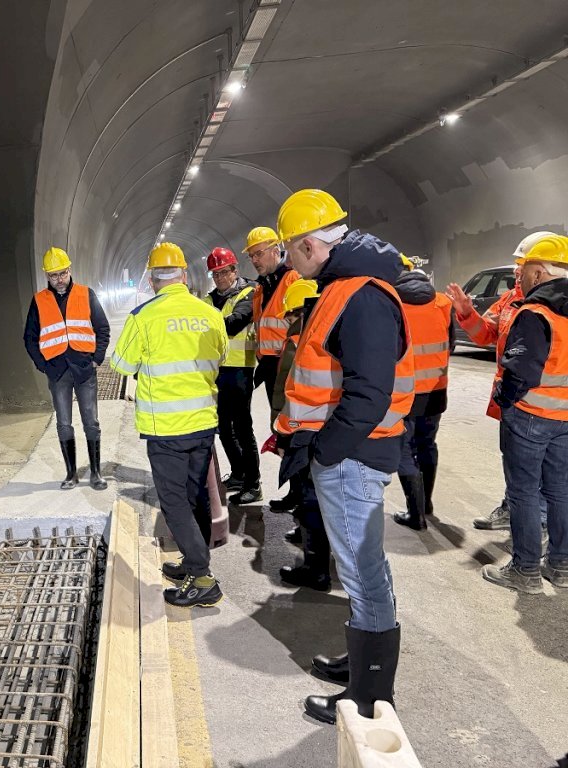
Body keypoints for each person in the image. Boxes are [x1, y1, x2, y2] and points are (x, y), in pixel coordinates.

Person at [273, 189, 413, 725]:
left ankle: (370, 696)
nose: (288, 261)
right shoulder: (343, 288)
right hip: (348, 455)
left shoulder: (361, 296)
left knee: (362, 572)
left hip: (352, 457)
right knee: (362, 567)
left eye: (290, 250)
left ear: (310, 245)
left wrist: (326, 454)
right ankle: (360, 667)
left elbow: (369, 394)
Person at [110, 242, 228, 607]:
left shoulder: (143, 317)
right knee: (195, 495)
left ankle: (202, 576)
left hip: (166, 429)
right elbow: (222, 354)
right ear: (185, 275)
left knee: (174, 503)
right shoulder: (209, 313)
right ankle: (193, 564)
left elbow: (121, 365)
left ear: (151, 279)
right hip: (203, 424)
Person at [447, 232, 557, 530]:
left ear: (540, 269)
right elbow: (486, 334)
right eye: (517, 266)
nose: (517, 272)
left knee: (545, 470)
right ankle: (513, 509)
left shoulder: (554, 305)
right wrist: (467, 313)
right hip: (511, 397)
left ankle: (540, 523)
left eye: (522, 265)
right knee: (513, 460)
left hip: (542, 404)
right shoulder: (510, 300)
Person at [481, 234, 568, 594]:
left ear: (538, 272)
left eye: (525, 270)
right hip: (565, 419)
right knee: (560, 491)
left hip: (531, 415)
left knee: (524, 492)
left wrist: (505, 398)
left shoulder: (535, 312)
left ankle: (526, 570)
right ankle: (561, 567)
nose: (522, 277)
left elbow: (521, 371)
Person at [23, 247, 111, 490]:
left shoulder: (86, 294)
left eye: (62, 273)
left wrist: (97, 358)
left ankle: (95, 473)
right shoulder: (39, 300)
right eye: (54, 275)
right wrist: (43, 365)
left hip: (84, 369)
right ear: (47, 276)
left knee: (91, 422)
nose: (59, 279)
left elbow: (102, 328)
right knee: (63, 423)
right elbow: (29, 338)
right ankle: (71, 474)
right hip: (57, 372)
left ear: (70, 270)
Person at [271, 279, 333, 591]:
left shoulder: (301, 339)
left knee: (311, 499)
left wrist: (282, 433)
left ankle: (316, 569)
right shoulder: (330, 331)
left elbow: (290, 390)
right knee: (321, 498)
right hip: (326, 429)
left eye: (291, 314)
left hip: (306, 430)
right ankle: (316, 550)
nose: (288, 320)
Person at [391, 256, 454, 530]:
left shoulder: (391, 303)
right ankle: (425, 503)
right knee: (427, 445)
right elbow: (451, 344)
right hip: (436, 390)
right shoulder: (443, 302)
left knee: (404, 448)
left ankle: (415, 514)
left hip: (403, 390)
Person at [244, 226, 301, 511]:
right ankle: (295, 490)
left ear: (275, 250)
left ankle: (301, 495)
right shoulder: (260, 288)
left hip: (289, 366)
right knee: (281, 429)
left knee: (294, 429)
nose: (255, 260)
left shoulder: (292, 280)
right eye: (252, 256)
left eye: (259, 253)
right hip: (270, 367)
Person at [202, 247, 261, 504]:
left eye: (223, 272)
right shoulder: (208, 299)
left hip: (240, 370)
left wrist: (207, 324)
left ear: (234, 270)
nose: (219, 278)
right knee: (224, 428)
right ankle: (238, 474)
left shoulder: (249, 293)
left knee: (243, 428)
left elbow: (235, 323)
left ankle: (253, 483)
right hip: (217, 371)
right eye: (215, 274)